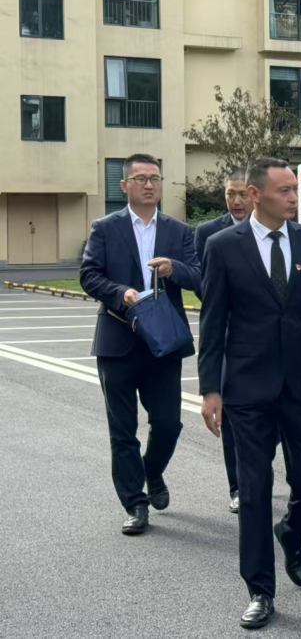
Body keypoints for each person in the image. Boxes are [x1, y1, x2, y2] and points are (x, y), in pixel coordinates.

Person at [197, 157, 301, 631]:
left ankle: (292, 533)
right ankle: (260, 590)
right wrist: (210, 389)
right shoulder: (223, 246)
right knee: (254, 488)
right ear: (254, 194)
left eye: (295, 190)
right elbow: (213, 322)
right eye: (284, 190)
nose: (293, 197)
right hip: (247, 387)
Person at [79, 153, 201, 536]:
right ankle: (135, 503)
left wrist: (173, 269)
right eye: (141, 179)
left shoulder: (179, 231)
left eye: (155, 178)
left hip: (163, 341)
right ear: (124, 185)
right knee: (123, 430)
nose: (149, 185)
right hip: (117, 341)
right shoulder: (105, 228)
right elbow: (88, 275)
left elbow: (199, 276)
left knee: (168, 423)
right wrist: (121, 293)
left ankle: (152, 471)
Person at [194, 170, 253, 515]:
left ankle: (256, 472)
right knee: (231, 416)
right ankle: (238, 486)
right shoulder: (208, 233)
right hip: (228, 333)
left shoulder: (276, 230)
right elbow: (205, 287)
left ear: (253, 194)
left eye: (242, 194)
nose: (236, 201)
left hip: (266, 339)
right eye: (231, 194)